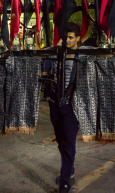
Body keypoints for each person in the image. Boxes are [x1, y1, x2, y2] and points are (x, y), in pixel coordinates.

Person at [43, 22, 92, 193]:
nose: (67, 40)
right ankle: (69, 169)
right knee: (61, 142)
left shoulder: (83, 55)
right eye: (65, 37)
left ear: (78, 38)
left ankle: (65, 180)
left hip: (73, 106)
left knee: (69, 142)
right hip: (55, 104)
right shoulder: (57, 53)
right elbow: (45, 69)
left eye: (71, 37)